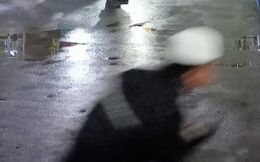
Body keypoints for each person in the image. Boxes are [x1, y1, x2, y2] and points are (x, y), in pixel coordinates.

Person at [64, 27, 224, 162]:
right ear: (193, 71)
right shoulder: (163, 109)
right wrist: (188, 139)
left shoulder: (143, 83)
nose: (212, 72)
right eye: (209, 66)